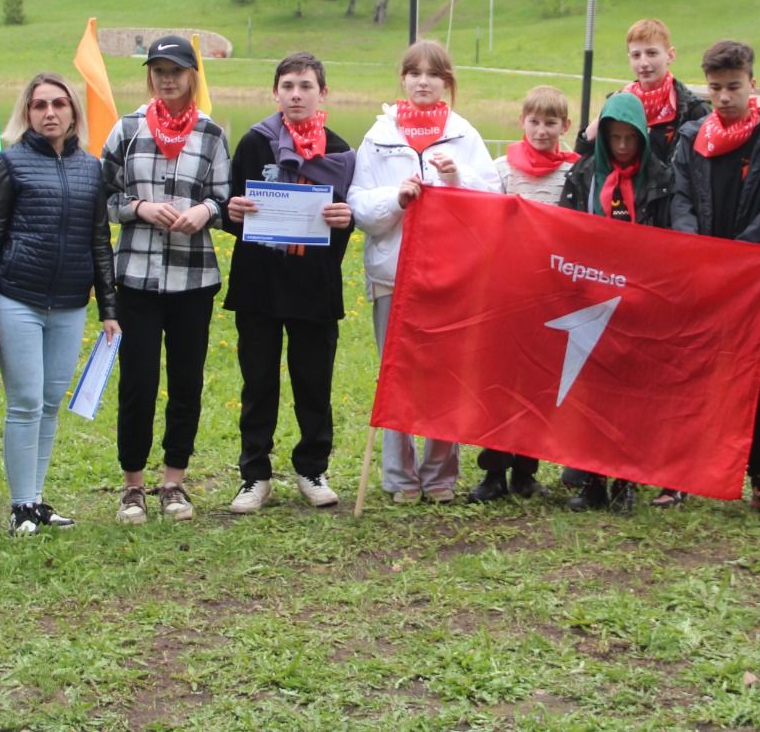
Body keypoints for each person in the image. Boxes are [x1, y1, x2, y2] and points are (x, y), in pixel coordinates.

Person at [348, 40, 501, 504]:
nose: (422, 81)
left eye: (433, 74)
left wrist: (457, 180)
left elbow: (491, 201)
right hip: (391, 275)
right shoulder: (378, 137)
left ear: (446, 82)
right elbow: (359, 207)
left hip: (450, 276)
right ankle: (398, 477)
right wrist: (396, 197)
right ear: (402, 78)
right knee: (396, 374)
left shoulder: (464, 135)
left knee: (444, 373)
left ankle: (440, 476)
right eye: (414, 72)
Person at [0, 72, 119, 535]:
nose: (50, 112)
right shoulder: (11, 163)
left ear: (74, 111)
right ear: (27, 113)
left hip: (71, 303)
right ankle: (20, 506)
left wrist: (109, 309)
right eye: (39, 105)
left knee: (51, 401)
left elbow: (99, 240)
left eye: (59, 104)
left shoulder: (90, 168)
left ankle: (36, 499)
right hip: (19, 298)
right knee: (26, 401)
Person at [102, 35, 232, 524]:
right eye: (158, 69)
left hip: (192, 280)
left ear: (192, 74)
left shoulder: (211, 134)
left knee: (185, 382)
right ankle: (133, 486)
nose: (167, 77)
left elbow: (225, 199)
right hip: (134, 277)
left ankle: (173, 483)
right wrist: (139, 207)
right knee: (137, 382)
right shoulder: (128, 129)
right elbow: (105, 196)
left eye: (176, 69)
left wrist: (205, 210)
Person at [221, 52, 356, 513]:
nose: (296, 94)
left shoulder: (340, 151)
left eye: (305, 86)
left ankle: (312, 469)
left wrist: (345, 220)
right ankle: (254, 475)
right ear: (275, 92)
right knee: (257, 383)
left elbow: (348, 218)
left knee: (313, 383)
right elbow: (228, 209)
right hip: (259, 284)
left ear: (323, 94)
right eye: (288, 86)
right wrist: (231, 212)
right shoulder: (255, 143)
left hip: (314, 286)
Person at [666, 40, 760, 514]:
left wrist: (740, 258)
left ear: (752, 84)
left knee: (752, 378)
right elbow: (679, 198)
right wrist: (696, 249)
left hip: (751, 282)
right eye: (715, 87)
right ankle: (676, 475)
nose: (723, 97)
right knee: (691, 373)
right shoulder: (692, 137)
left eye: (733, 87)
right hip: (701, 276)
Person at [468, 85, 577, 504]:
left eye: (551, 122)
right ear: (522, 121)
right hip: (506, 292)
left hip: (550, 294)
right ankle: (493, 469)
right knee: (499, 382)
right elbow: (481, 218)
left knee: (538, 383)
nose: (541, 129)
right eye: (534, 121)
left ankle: (526, 470)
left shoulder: (573, 172)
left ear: (564, 126)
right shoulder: (501, 170)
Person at [559, 90, 668, 512]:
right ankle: (591, 481)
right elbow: (565, 232)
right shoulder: (584, 175)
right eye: (615, 138)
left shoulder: (660, 177)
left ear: (642, 136)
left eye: (630, 138)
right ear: (602, 137)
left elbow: (672, 239)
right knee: (591, 392)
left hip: (640, 301)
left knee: (631, 396)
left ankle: (626, 482)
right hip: (591, 297)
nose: (623, 147)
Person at [576, 18, 707, 225]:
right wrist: (590, 132)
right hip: (620, 209)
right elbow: (586, 158)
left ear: (670, 55)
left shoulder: (691, 109)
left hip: (667, 212)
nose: (644, 63)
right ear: (629, 59)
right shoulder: (618, 102)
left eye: (652, 53)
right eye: (636, 55)